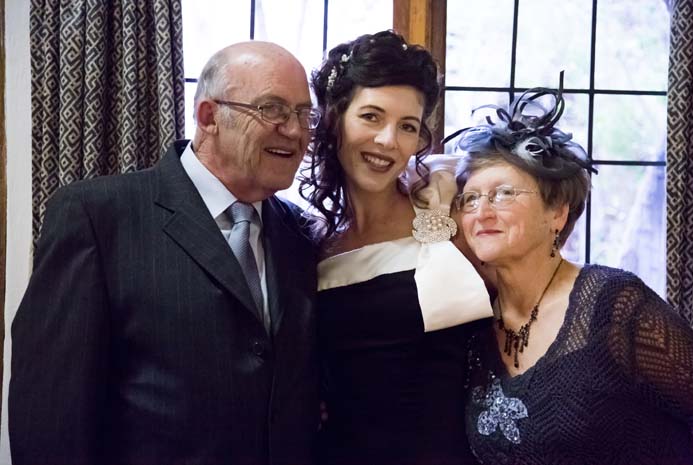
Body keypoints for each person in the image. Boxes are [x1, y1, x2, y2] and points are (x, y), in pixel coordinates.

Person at [10, 42, 319, 465]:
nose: (296, 131)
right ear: (209, 117)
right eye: (273, 110)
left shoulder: (300, 233)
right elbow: (51, 414)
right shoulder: (98, 217)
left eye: (304, 115)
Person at [451, 83, 693, 464]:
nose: (481, 212)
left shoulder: (615, 305)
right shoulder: (472, 324)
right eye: (470, 198)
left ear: (557, 213)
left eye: (504, 194)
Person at [300, 30, 492, 465]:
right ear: (334, 118)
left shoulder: (449, 210)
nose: (389, 140)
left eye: (407, 126)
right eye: (371, 116)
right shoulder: (307, 243)